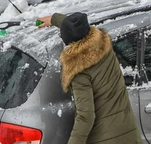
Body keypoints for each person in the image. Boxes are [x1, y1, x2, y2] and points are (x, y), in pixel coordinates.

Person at [37, 12, 143, 144]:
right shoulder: (102, 45)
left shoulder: (79, 70)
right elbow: (78, 28)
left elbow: (86, 116)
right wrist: (54, 19)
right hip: (128, 133)